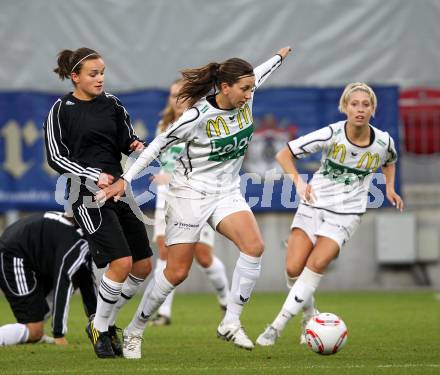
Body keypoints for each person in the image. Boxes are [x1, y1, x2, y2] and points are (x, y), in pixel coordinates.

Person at [98, 46, 293, 357]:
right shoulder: (197, 116)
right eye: (244, 88)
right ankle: (135, 329)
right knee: (176, 272)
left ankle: (230, 321)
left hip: (226, 190)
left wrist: (280, 57)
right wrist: (126, 179)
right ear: (225, 87)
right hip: (189, 194)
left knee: (254, 247)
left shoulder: (247, 95)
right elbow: (156, 148)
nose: (249, 94)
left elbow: (263, 70)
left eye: (251, 88)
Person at [255, 82, 404, 346]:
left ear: (373, 109)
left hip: (346, 215)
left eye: (365, 104)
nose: (360, 109)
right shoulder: (331, 134)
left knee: (317, 265)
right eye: (354, 104)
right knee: (292, 268)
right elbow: (283, 153)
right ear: (345, 107)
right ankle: (310, 314)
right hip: (314, 205)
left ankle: (275, 327)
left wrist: (390, 187)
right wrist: (299, 183)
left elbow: (390, 160)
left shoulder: (383, 141)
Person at [43, 47, 153, 358]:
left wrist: (137, 147)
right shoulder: (60, 109)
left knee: (143, 266)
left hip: (119, 190)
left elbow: (126, 140)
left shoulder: (113, 105)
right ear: (75, 77)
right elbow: (55, 156)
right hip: (86, 195)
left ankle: (103, 322)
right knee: (121, 263)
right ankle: (102, 331)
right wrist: (93, 174)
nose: (100, 78)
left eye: (102, 72)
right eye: (93, 74)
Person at [149, 80, 229, 326]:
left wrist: (175, 176)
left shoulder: (204, 123)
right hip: (167, 200)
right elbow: (163, 161)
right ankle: (164, 312)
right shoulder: (164, 127)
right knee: (165, 252)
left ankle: (227, 301)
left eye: (183, 95)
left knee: (203, 257)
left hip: (196, 199)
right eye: (174, 95)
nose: (178, 100)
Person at [0, 211, 96, 346]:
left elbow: (84, 278)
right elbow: (63, 283)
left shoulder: (81, 231)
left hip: (32, 259)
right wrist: (59, 334)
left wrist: (97, 323)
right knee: (34, 329)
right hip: (13, 256)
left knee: (75, 277)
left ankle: (33, 331)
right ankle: (34, 332)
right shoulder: (78, 240)